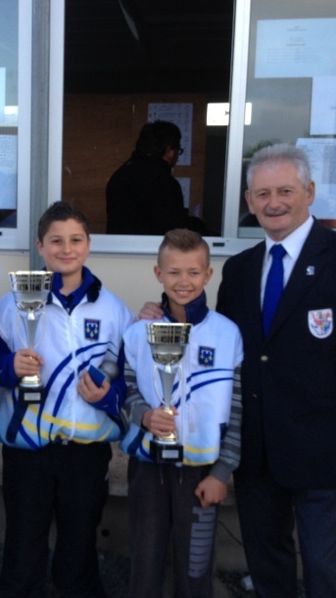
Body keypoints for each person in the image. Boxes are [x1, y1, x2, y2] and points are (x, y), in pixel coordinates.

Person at [216, 144, 336, 597]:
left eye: (285, 190)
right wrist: (161, 313)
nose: (273, 203)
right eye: (262, 194)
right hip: (256, 452)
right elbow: (221, 344)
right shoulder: (238, 270)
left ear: (310, 191)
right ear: (249, 200)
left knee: (325, 566)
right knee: (266, 559)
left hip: (327, 451)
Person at [0, 201, 134, 597]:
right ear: (40, 245)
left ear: (88, 244)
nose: (65, 249)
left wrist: (109, 397)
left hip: (86, 451)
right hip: (28, 450)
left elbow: (128, 379)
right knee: (23, 542)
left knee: (79, 543)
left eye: (75, 240)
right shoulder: (13, 303)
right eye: (56, 241)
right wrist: (9, 366)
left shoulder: (114, 311)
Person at [120, 229, 242, 598]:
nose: (183, 281)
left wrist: (222, 472)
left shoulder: (227, 334)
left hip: (203, 473)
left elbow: (239, 410)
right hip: (148, 468)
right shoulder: (139, 332)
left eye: (193, 272)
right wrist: (144, 416)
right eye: (173, 272)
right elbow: (125, 391)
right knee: (144, 563)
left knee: (195, 566)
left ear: (208, 274)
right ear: (158, 274)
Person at [106, 120, 194, 235]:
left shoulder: (119, 175)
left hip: (118, 250)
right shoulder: (163, 182)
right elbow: (173, 230)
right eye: (178, 151)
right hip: (151, 250)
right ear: (169, 151)